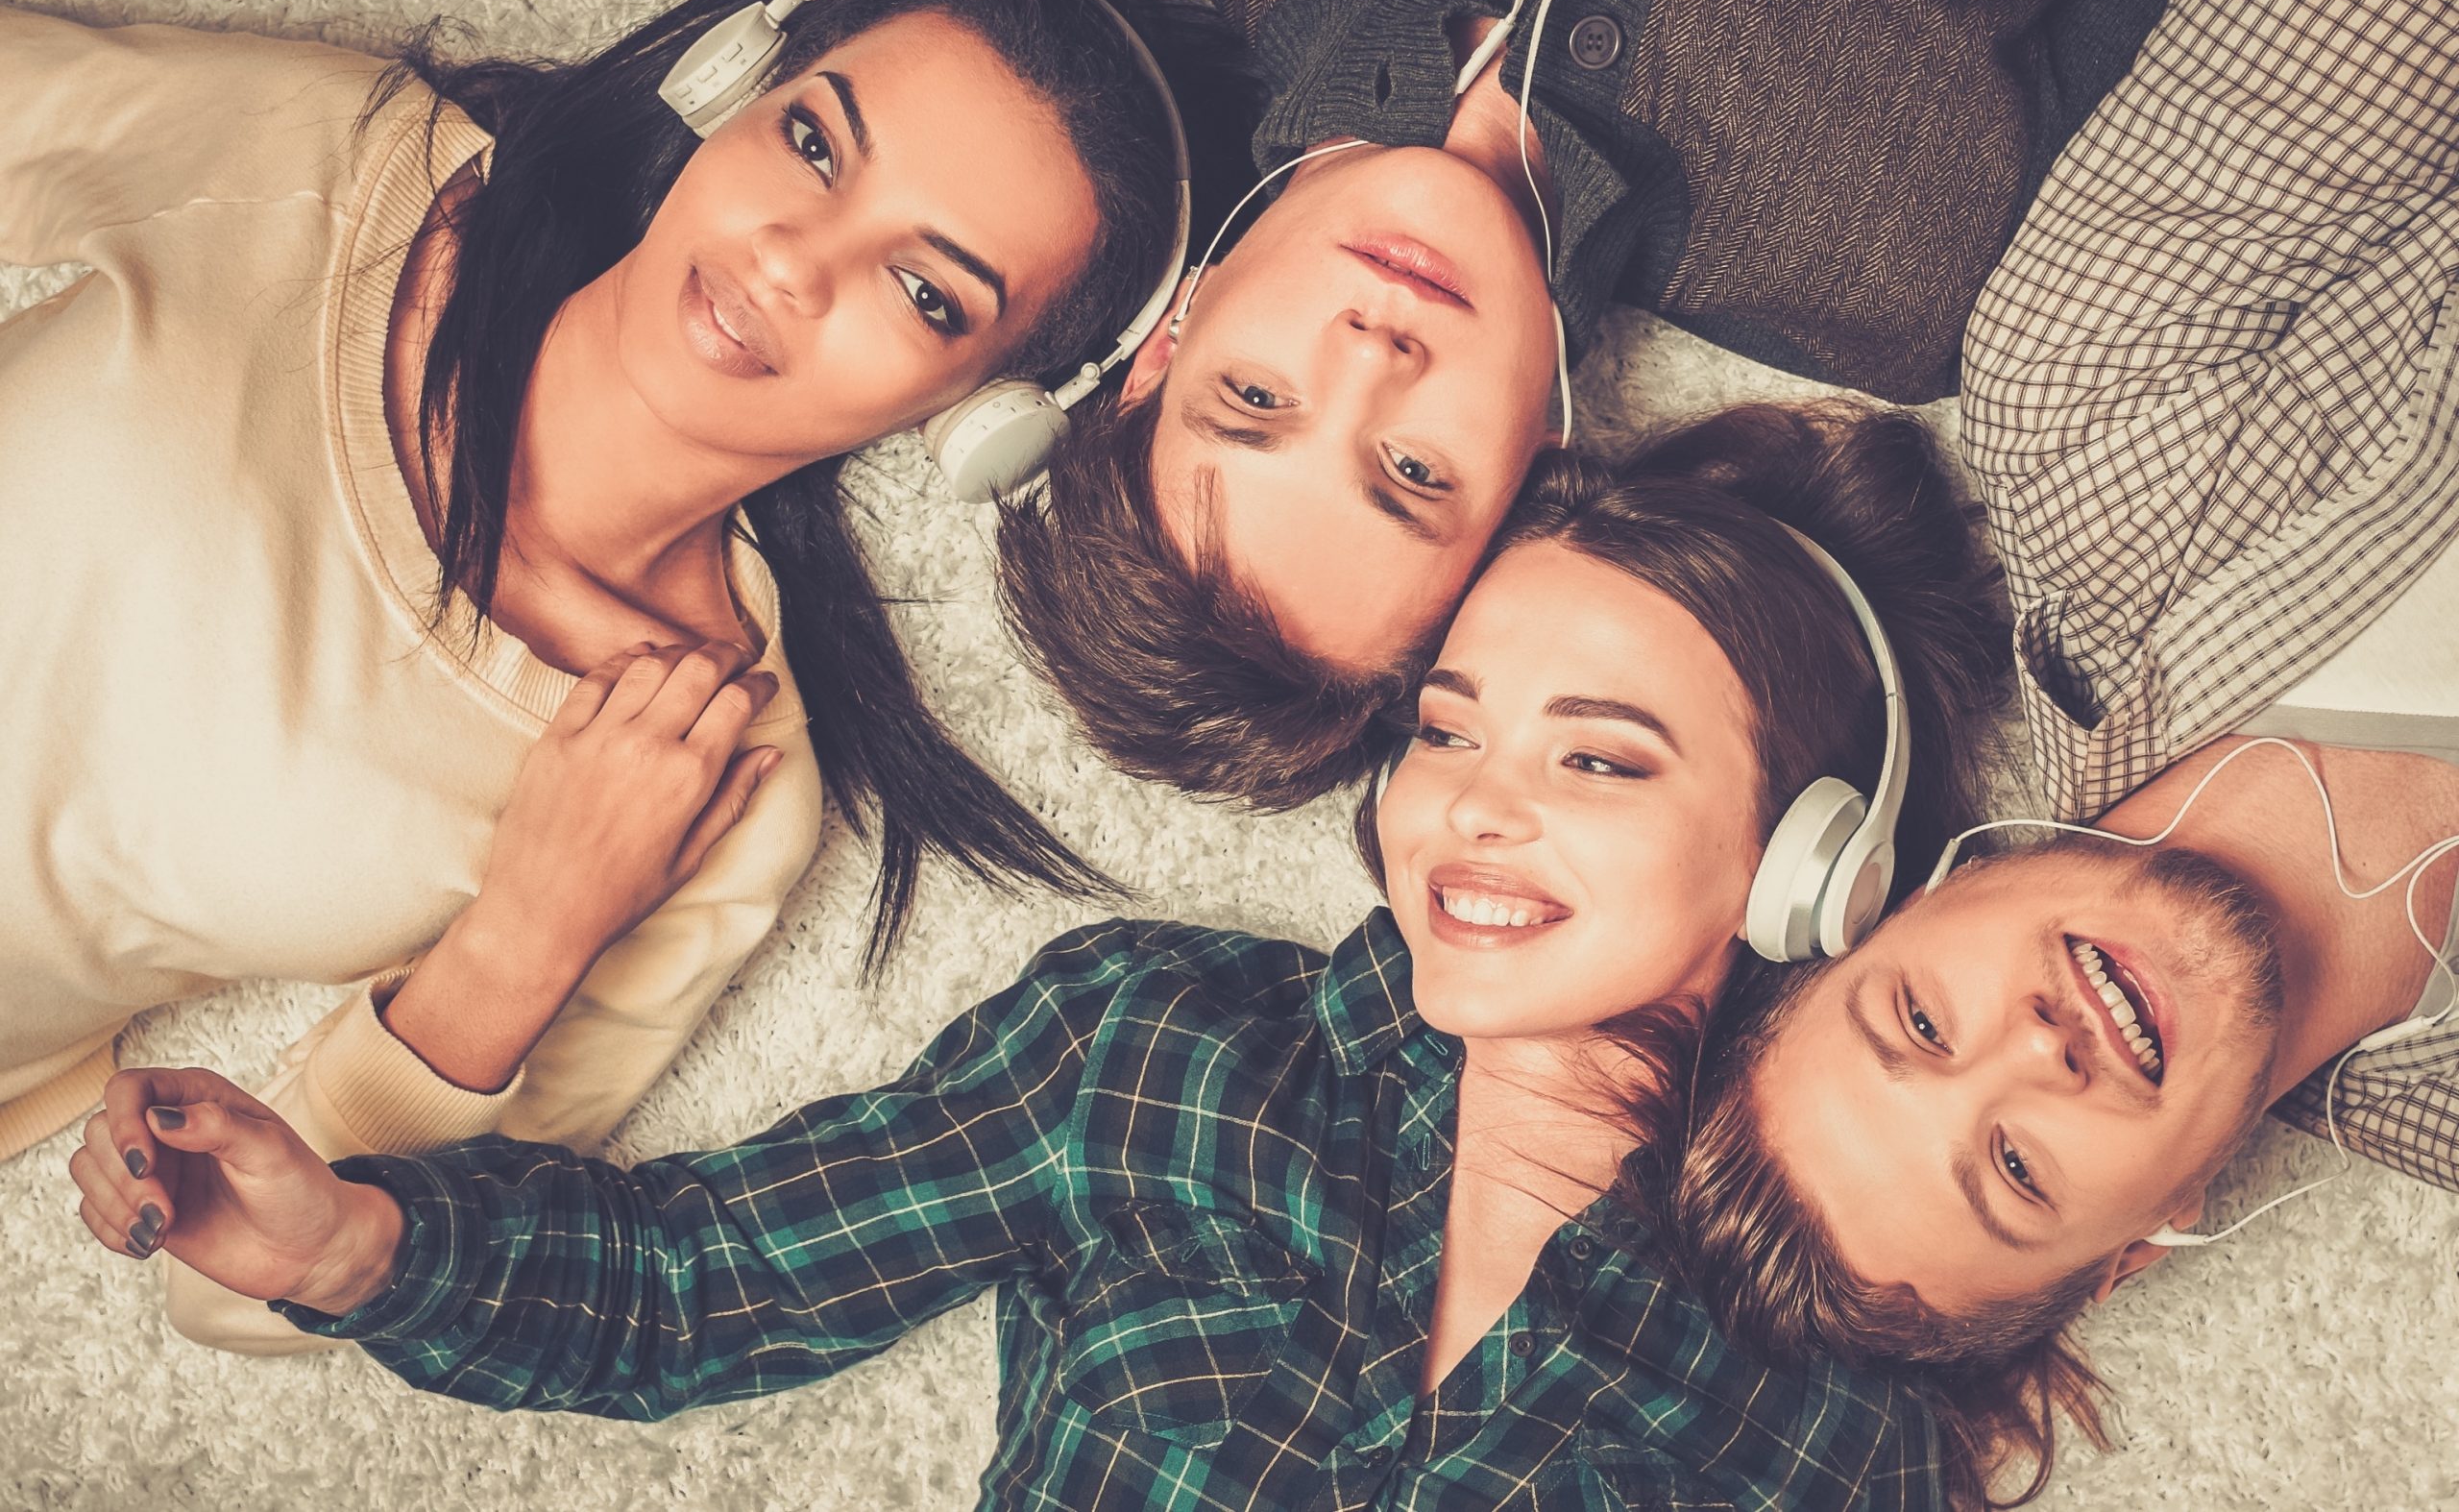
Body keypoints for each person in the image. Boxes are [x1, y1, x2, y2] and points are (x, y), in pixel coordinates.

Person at [67, 402, 2011, 1508]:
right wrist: (349, 1241)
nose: (1474, 803)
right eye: (1446, 722)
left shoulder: (1845, 1378)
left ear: (1805, 870)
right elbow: (701, 1280)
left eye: (1598, 754)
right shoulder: (1151, 1046)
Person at [0, 0, 1251, 1347]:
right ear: (728, 86)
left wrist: (523, 944)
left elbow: (238, 1286)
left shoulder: (719, 773)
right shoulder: (344, 176)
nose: (793, 259)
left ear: (985, 420)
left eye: (927, 293)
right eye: (815, 143)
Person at [1620, 0, 2459, 1502]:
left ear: (1893, 894)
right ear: (2138, 1252)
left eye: (1919, 1022)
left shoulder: (2094, 398)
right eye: (2011, 1170)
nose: (2034, 1054)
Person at [996, 0, 2204, 809]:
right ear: (1539, 467)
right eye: (1412, 474)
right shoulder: (1907, 262)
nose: (1372, 354)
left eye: (1255, 397)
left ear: (1170, 334)